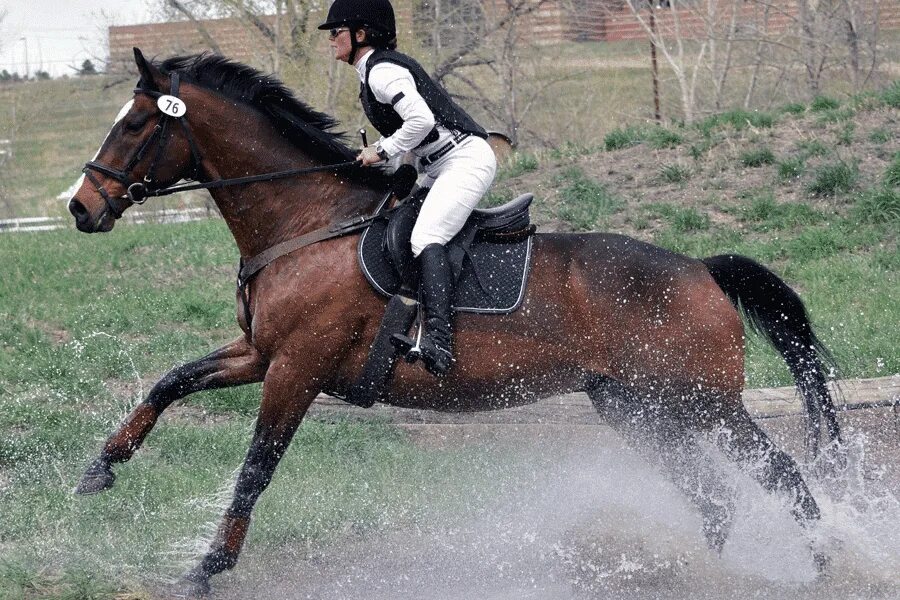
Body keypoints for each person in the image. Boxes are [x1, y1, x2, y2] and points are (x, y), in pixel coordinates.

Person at [319, 0, 497, 377]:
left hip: (464, 160)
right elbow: (417, 138)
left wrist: (380, 150)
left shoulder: (383, 72)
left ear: (360, 34)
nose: (331, 39)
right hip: (435, 165)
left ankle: (439, 342)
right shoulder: (372, 72)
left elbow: (421, 120)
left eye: (336, 32)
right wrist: (400, 175)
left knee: (425, 236)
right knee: (397, 224)